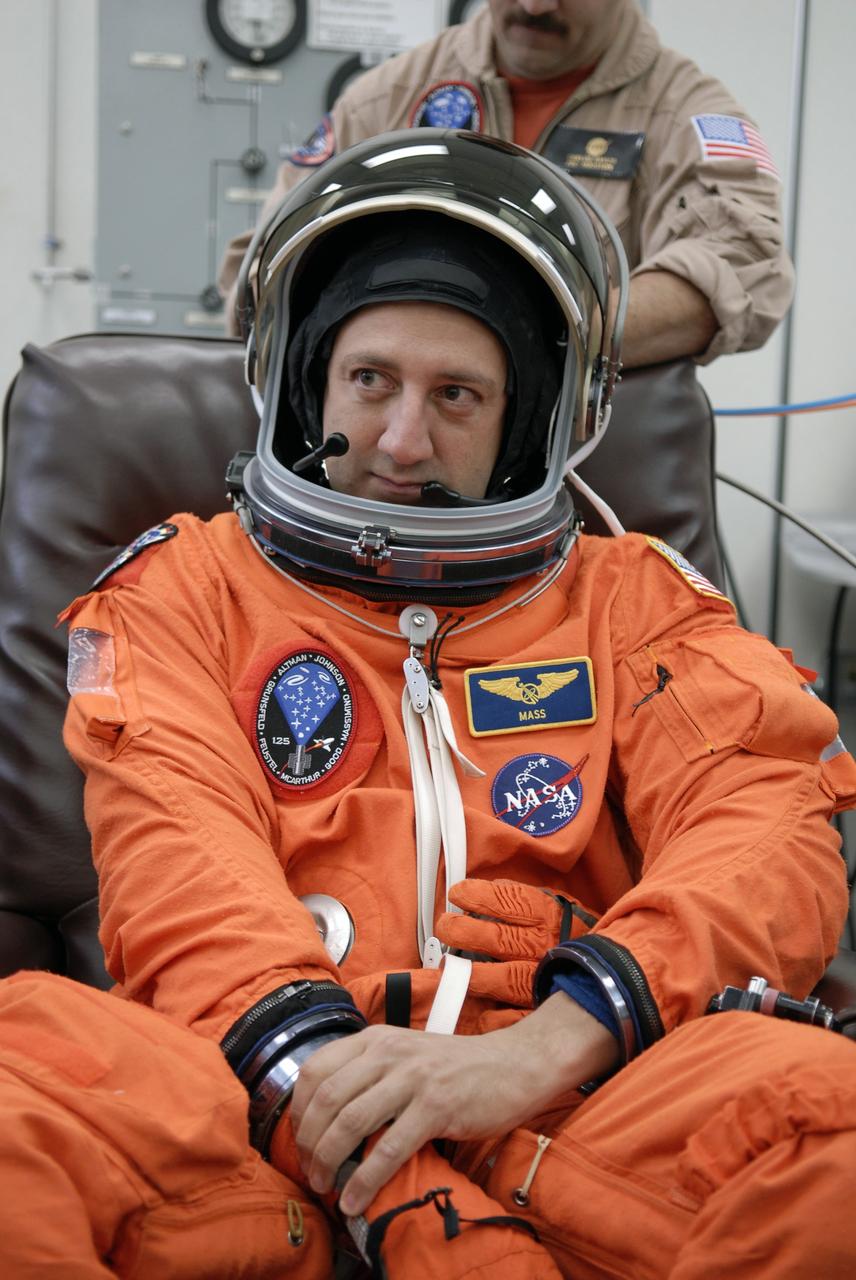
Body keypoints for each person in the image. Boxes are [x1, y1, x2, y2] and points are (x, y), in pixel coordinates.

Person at [0, 130, 854, 1279]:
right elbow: (183, 885)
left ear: (529, 418)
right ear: (306, 382)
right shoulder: (180, 594)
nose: (403, 440)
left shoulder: (631, 598)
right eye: (370, 381)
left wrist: (550, 1042)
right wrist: (416, 1197)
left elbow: (764, 825)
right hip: (256, 1107)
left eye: (457, 393)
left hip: (582, 1093)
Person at [219, 0, 794, 370]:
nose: (534, 5)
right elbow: (258, 272)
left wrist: (540, 337)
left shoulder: (687, 113)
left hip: (587, 467)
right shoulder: (388, 97)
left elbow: (742, 264)